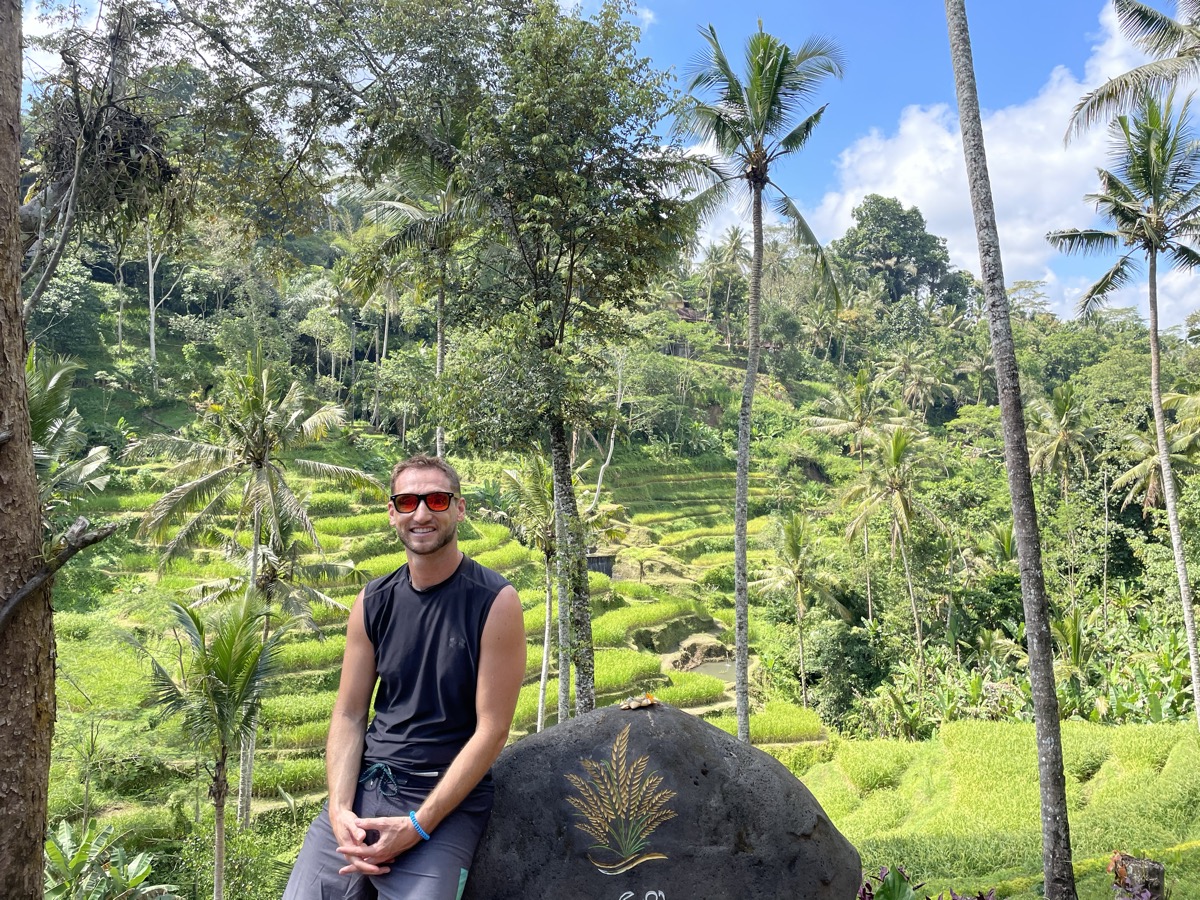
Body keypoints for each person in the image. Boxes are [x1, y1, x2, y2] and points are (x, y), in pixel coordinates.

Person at [283, 453, 526, 900]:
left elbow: (493, 730)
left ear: (459, 507)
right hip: (366, 789)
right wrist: (339, 809)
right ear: (392, 512)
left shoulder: (495, 601)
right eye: (407, 501)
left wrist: (417, 825)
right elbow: (350, 713)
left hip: (444, 802)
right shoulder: (373, 600)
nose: (422, 513)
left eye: (436, 499)